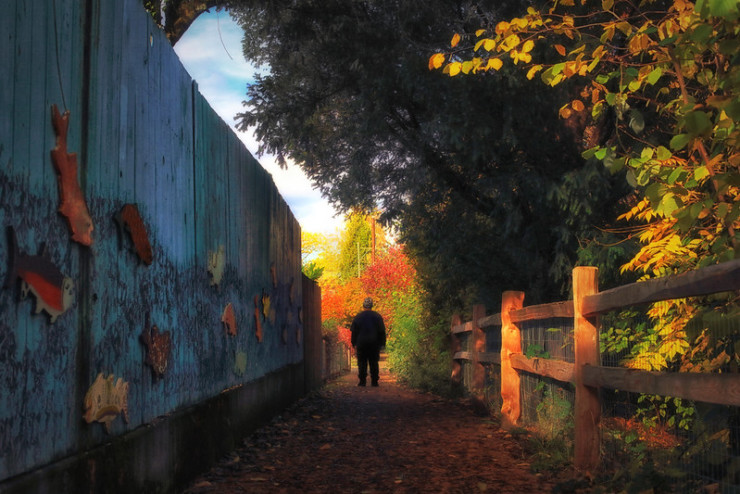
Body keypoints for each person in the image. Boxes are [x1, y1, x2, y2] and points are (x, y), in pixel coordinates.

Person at [350, 297, 386, 387]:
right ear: (372, 306)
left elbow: (354, 332)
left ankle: (362, 381)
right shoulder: (377, 316)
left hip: (361, 343)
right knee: (374, 362)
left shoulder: (358, 317)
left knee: (362, 362)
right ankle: (374, 381)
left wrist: (353, 343)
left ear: (363, 306)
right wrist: (382, 343)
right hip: (374, 343)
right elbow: (382, 331)